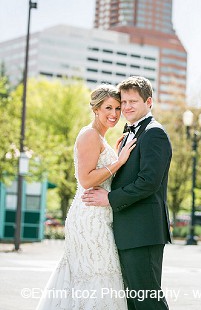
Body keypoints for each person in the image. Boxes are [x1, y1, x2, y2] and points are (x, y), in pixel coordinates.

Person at [37, 85, 136, 310]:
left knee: (101, 274)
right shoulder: (90, 135)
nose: (114, 113)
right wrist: (118, 162)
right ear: (96, 109)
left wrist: (116, 154)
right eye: (108, 108)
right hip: (89, 219)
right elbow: (86, 180)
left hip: (100, 215)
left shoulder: (99, 137)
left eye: (118, 108)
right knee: (96, 275)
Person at [83, 76, 173, 310]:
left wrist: (109, 199)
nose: (127, 107)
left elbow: (148, 183)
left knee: (147, 299)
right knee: (133, 301)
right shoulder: (130, 133)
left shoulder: (154, 133)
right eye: (124, 102)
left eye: (133, 101)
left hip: (142, 231)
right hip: (129, 230)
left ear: (149, 102)